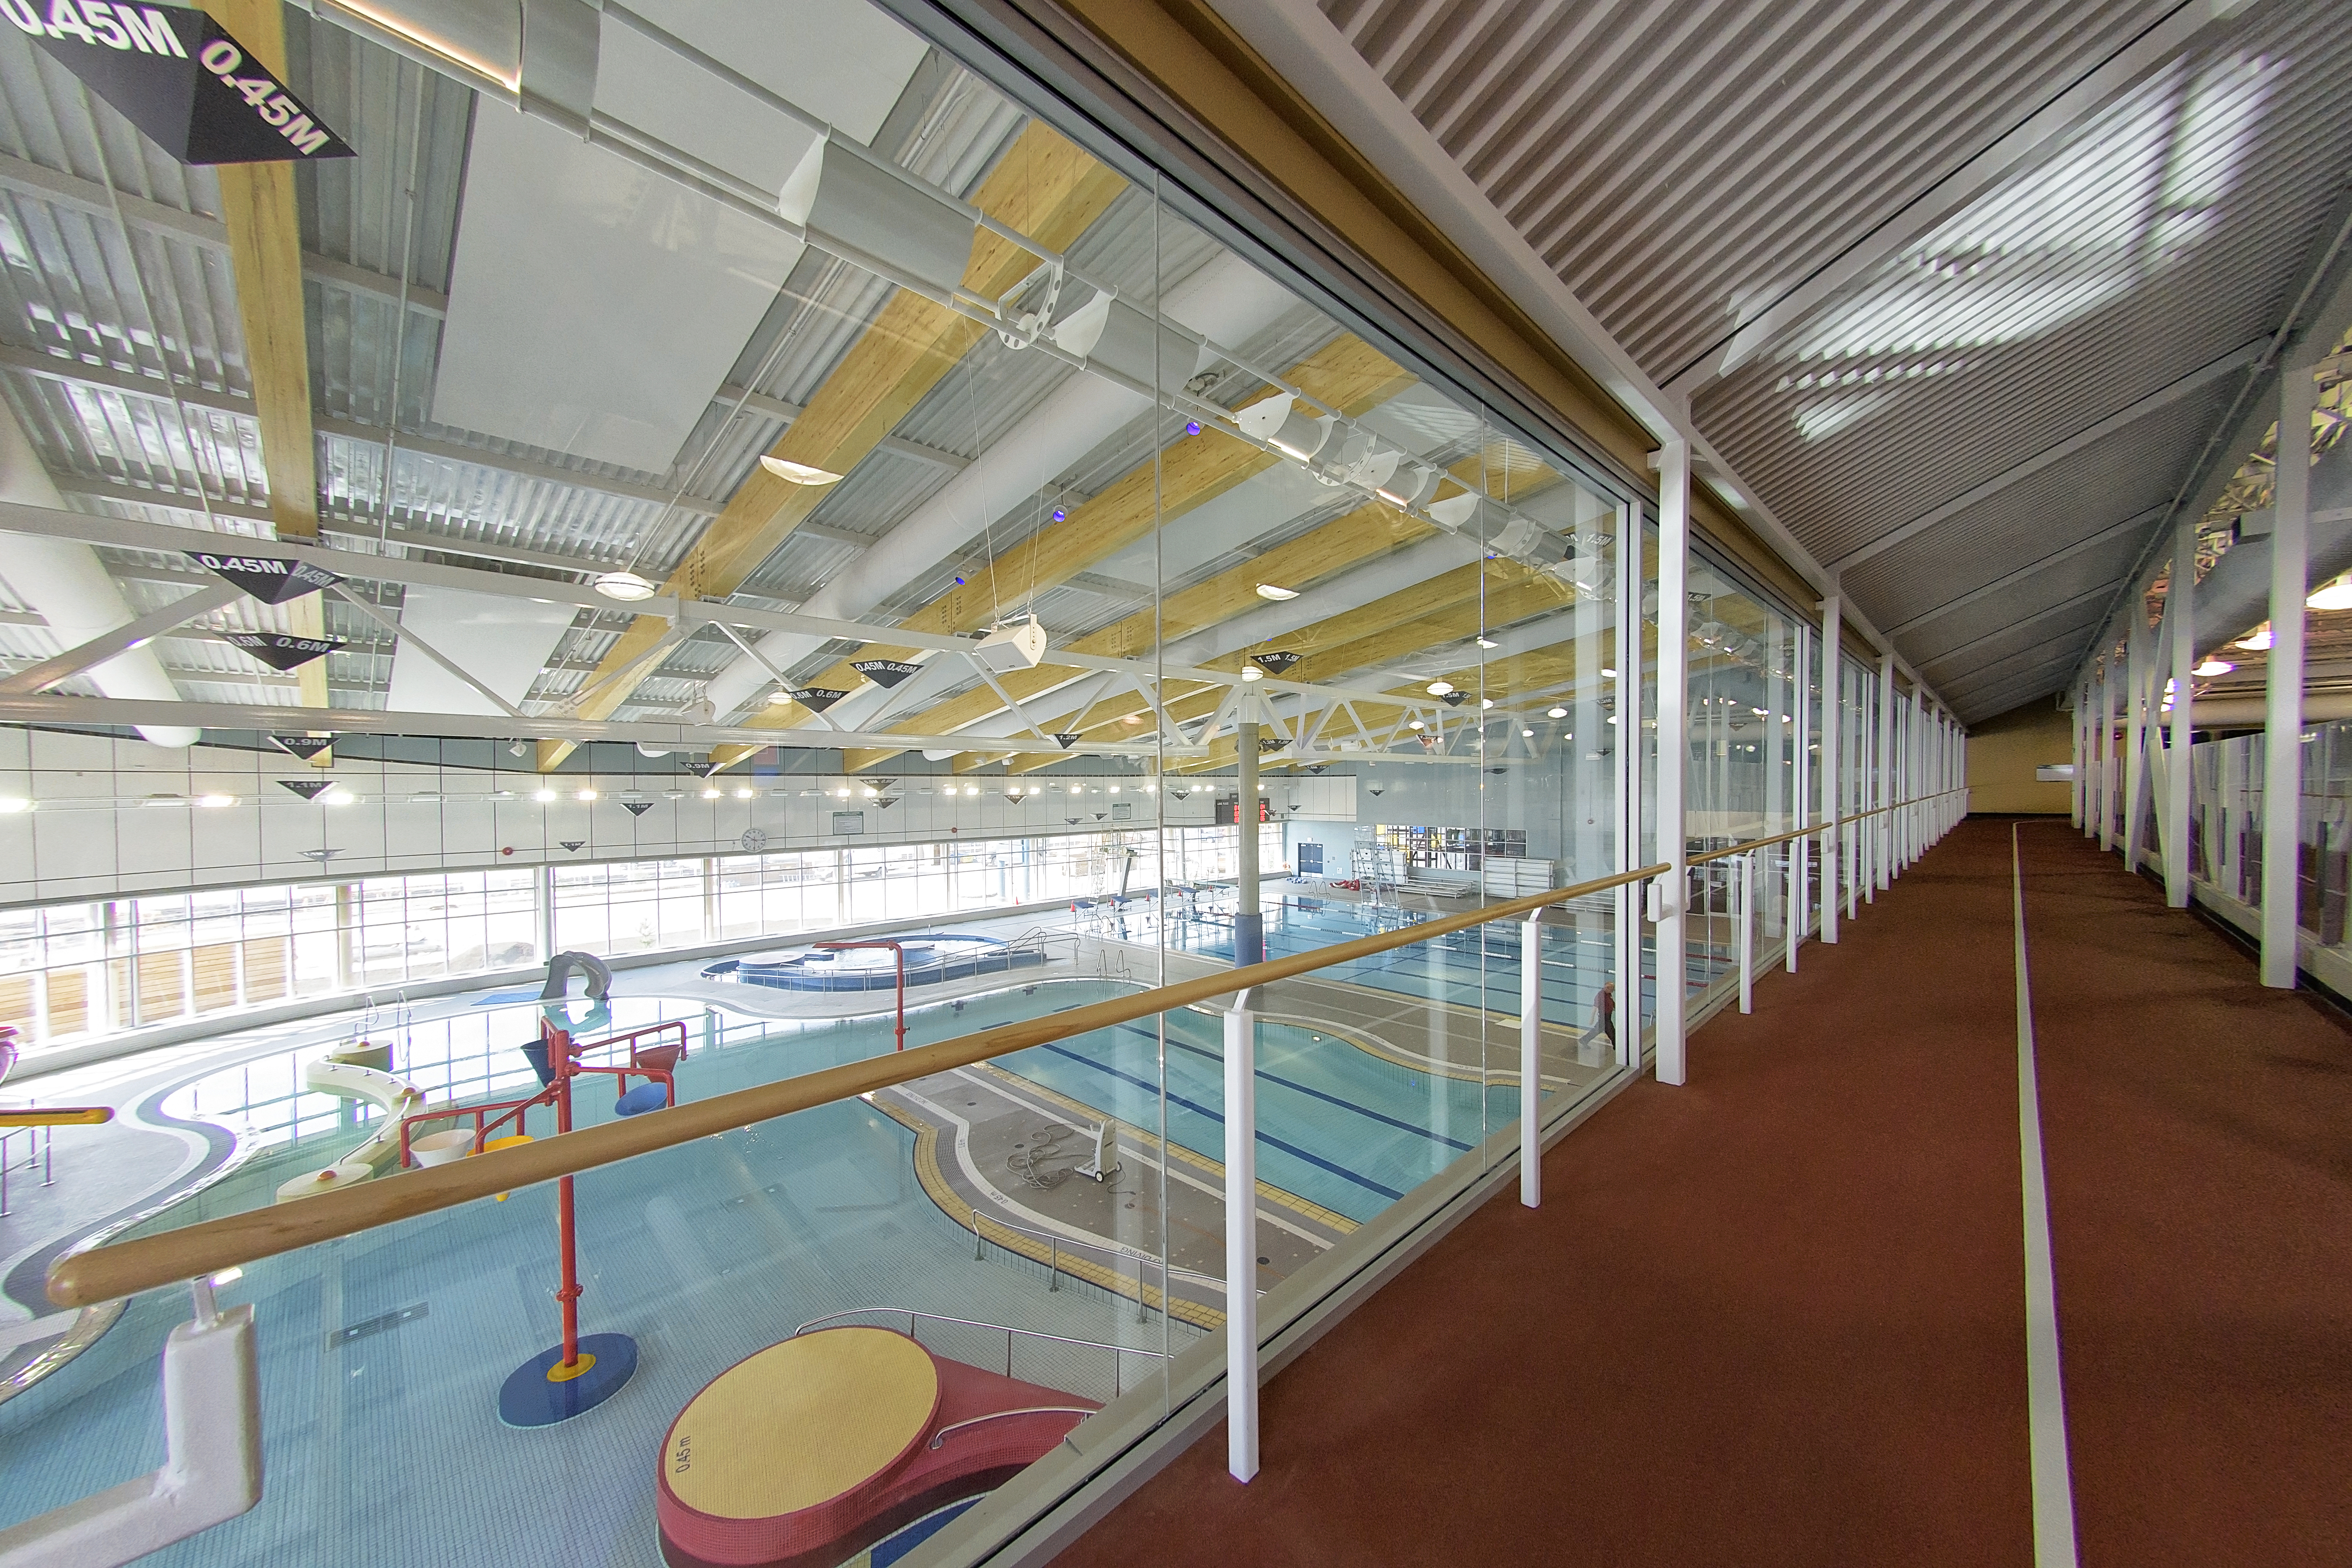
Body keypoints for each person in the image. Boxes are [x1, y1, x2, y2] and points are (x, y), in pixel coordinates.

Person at [1578, 980, 1615, 1051]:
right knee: (1612, 1032)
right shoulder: (1601, 996)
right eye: (1610, 988)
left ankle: (1584, 1040)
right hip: (1604, 1017)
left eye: (1612, 989)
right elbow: (1595, 1007)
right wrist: (1592, 1018)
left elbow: (1612, 1003)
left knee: (1597, 1031)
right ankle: (1617, 1047)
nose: (1612, 990)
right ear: (1606, 988)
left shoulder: (1608, 994)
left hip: (1607, 1016)